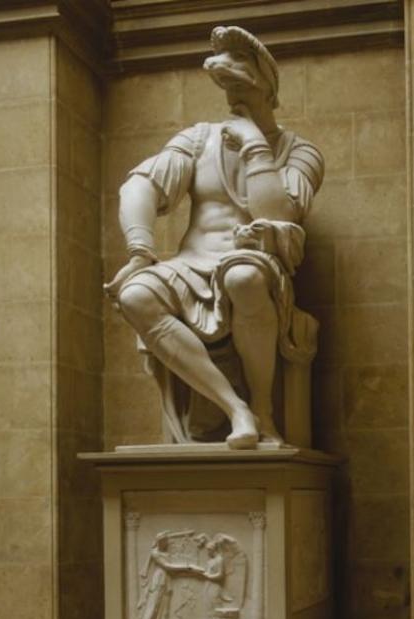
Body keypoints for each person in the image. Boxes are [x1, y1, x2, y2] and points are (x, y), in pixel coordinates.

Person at [104, 25, 324, 447]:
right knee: (134, 295)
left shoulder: (300, 151)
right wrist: (139, 250)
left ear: (265, 83)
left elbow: (278, 213)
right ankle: (235, 408)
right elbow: (139, 186)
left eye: (240, 71)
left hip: (253, 265)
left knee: (243, 275)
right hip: (191, 265)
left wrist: (254, 144)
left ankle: (262, 409)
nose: (231, 94)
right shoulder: (198, 139)